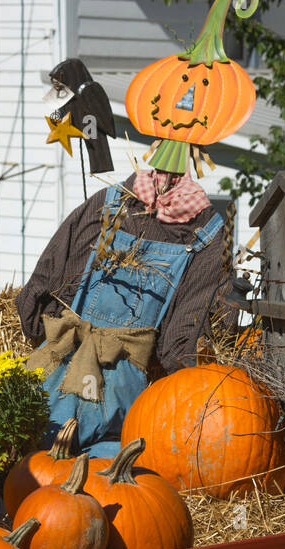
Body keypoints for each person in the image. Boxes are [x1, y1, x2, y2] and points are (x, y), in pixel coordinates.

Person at [17, 169, 229, 456]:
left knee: (29, 454)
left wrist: (41, 326)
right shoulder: (206, 235)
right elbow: (181, 346)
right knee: (112, 470)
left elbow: (41, 285)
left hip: (61, 360)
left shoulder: (108, 201)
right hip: (122, 389)